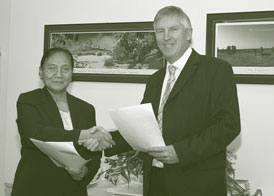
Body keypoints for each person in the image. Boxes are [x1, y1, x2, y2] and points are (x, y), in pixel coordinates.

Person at [82, 5, 241, 196]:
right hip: (156, 182)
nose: (166, 37)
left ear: (188, 33)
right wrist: (107, 138)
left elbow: (228, 125)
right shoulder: (155, 80)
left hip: (197, 184)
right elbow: (142, 128)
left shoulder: (216, 70)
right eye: (160, 31)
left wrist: (181, 152)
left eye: (174, 29)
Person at [12, 47, 115, 196]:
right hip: (34, 188)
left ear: (72, 73)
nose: (58, 74)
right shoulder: (28, 100)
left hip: (73, 190)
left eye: (65, 69)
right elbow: (34, 134)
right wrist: (83, 135)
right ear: (41, 72)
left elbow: (94, 155)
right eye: (51, 68)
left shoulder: (86, 109)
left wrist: (83, 173)